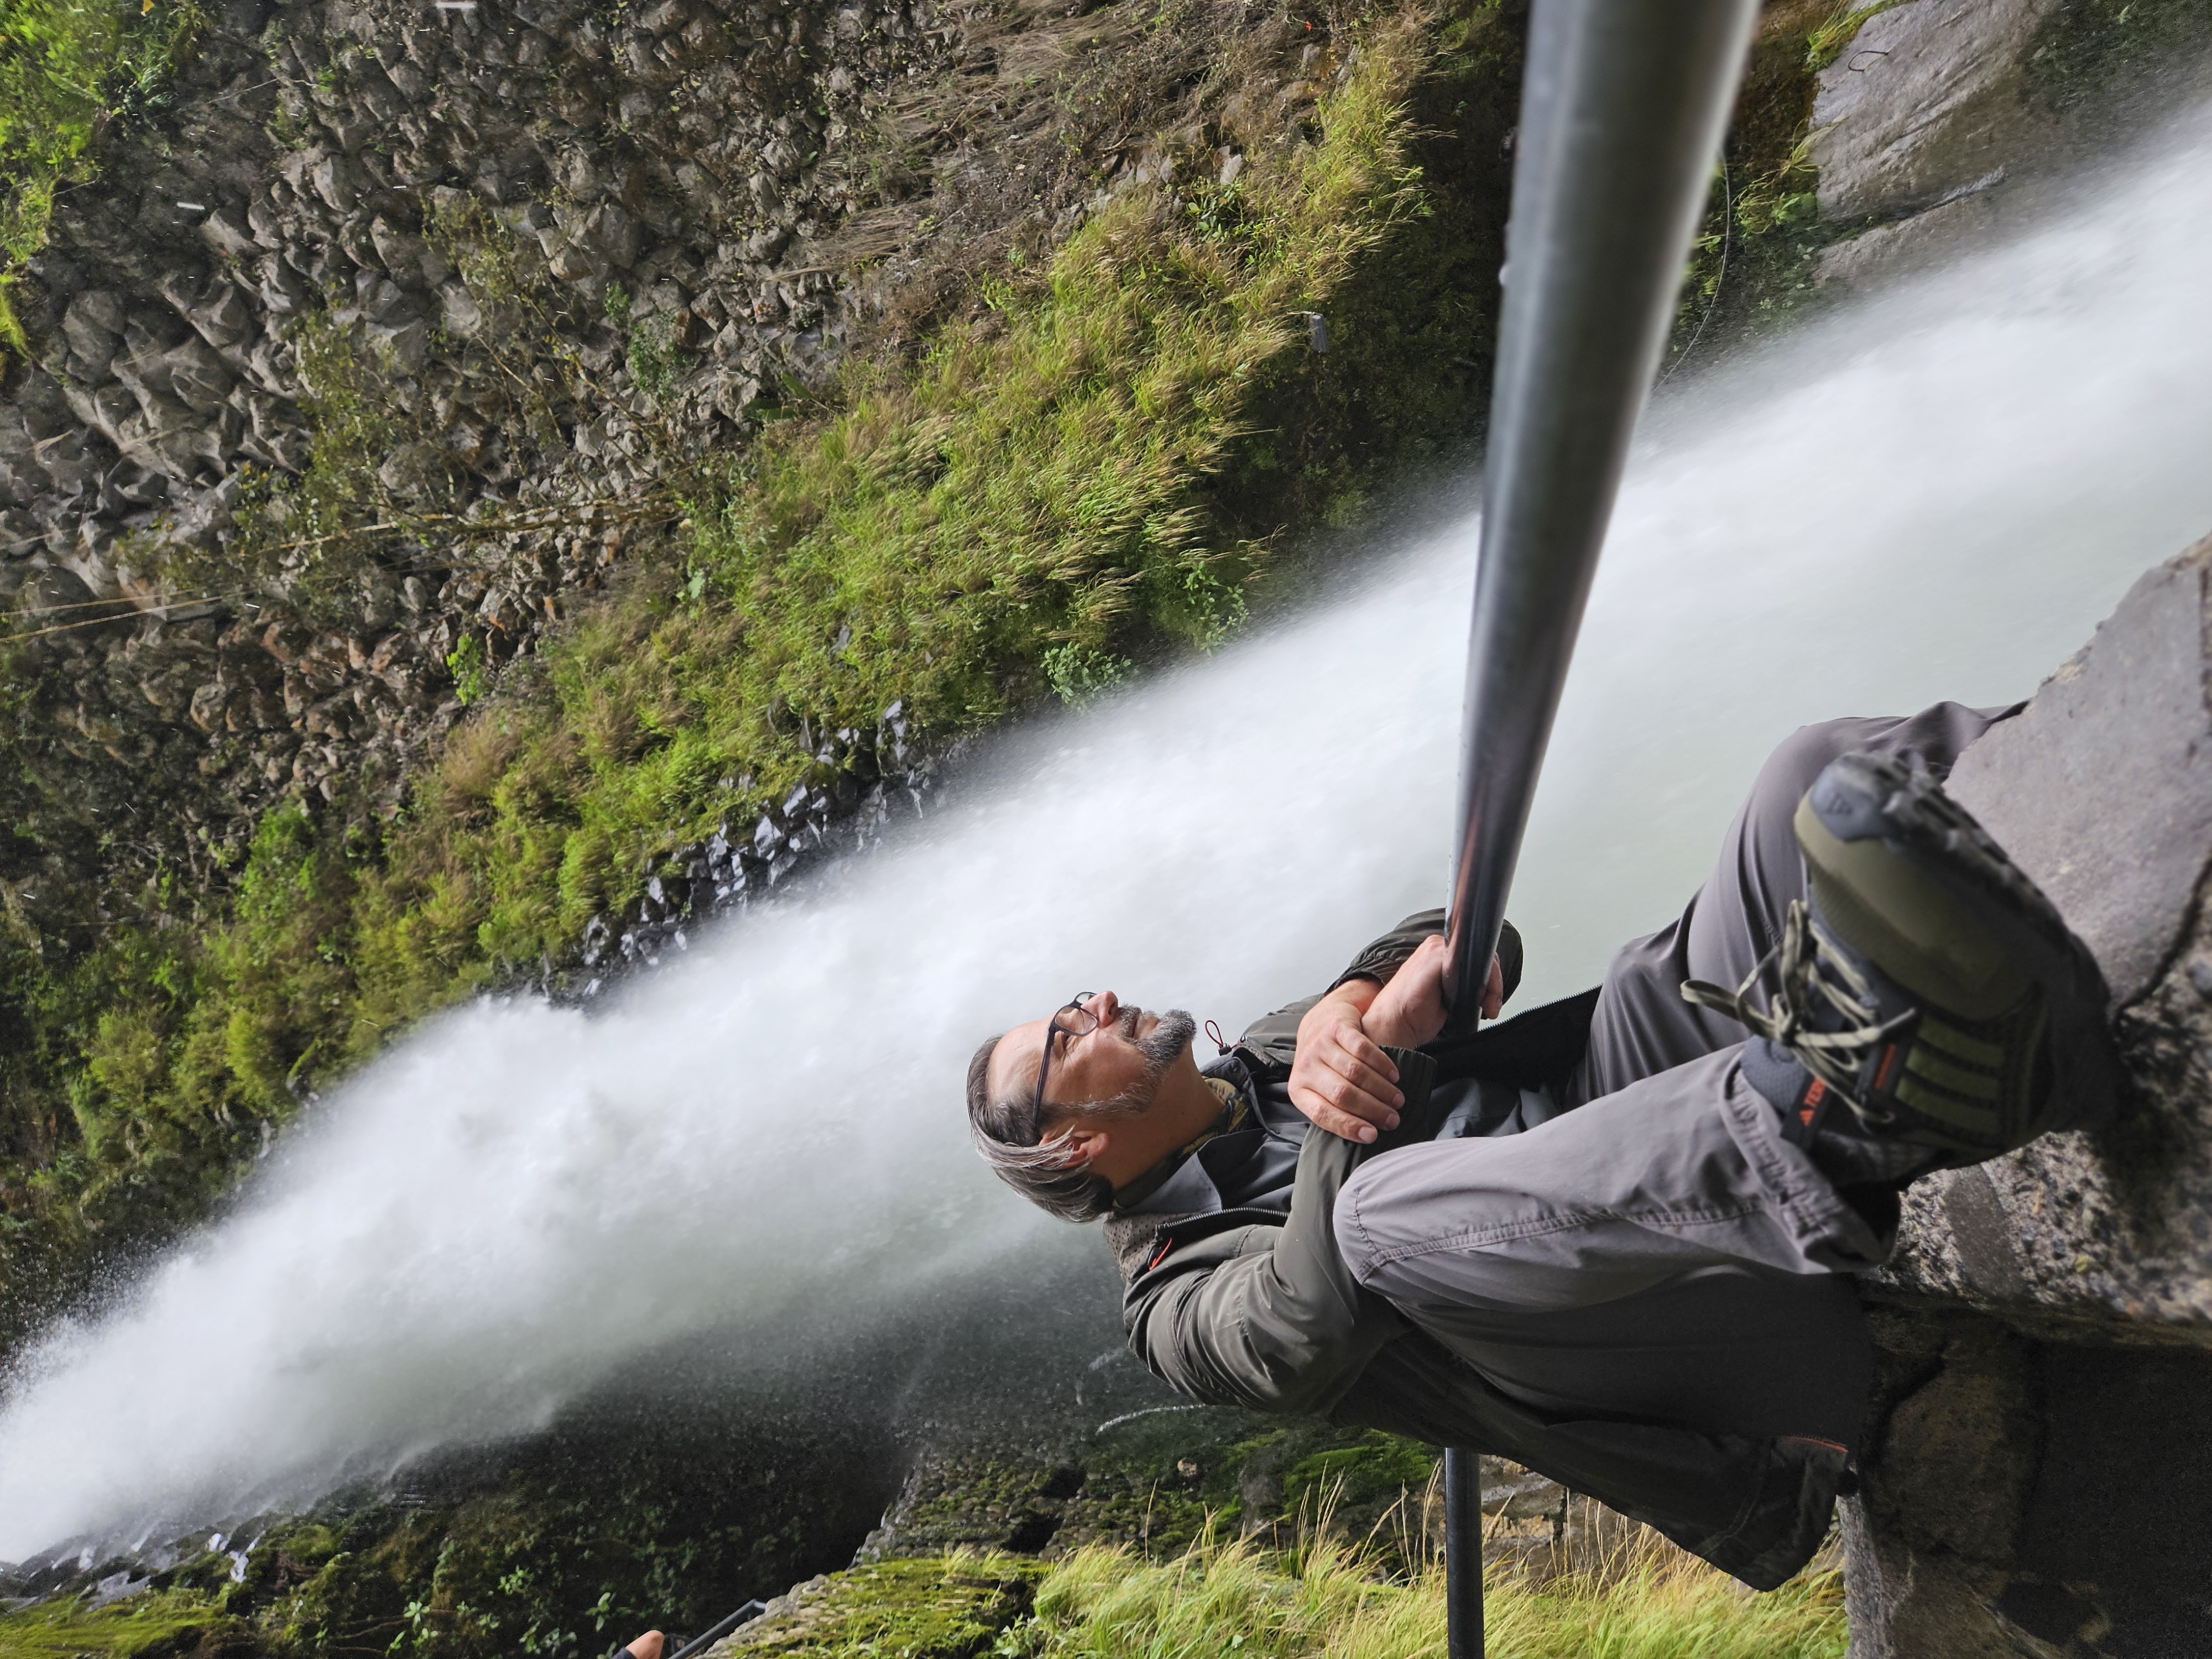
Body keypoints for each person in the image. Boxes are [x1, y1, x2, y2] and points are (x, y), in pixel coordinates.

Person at [962, 703, 2120, 1587]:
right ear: (1066, 1147)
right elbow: (1305, 1330)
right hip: (1705, 1360)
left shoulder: (1263, 1056)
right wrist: (1356, 1079)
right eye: (1064, 1036)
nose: (1095, 1002)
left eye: (1071, 1000)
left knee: (1805, 777)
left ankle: (2112, 761)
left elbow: (1469, 938)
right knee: (1371, 1225)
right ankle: (1854, 1102)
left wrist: (1342, 1002)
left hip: (1623, 1091)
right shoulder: (1167, 1312)